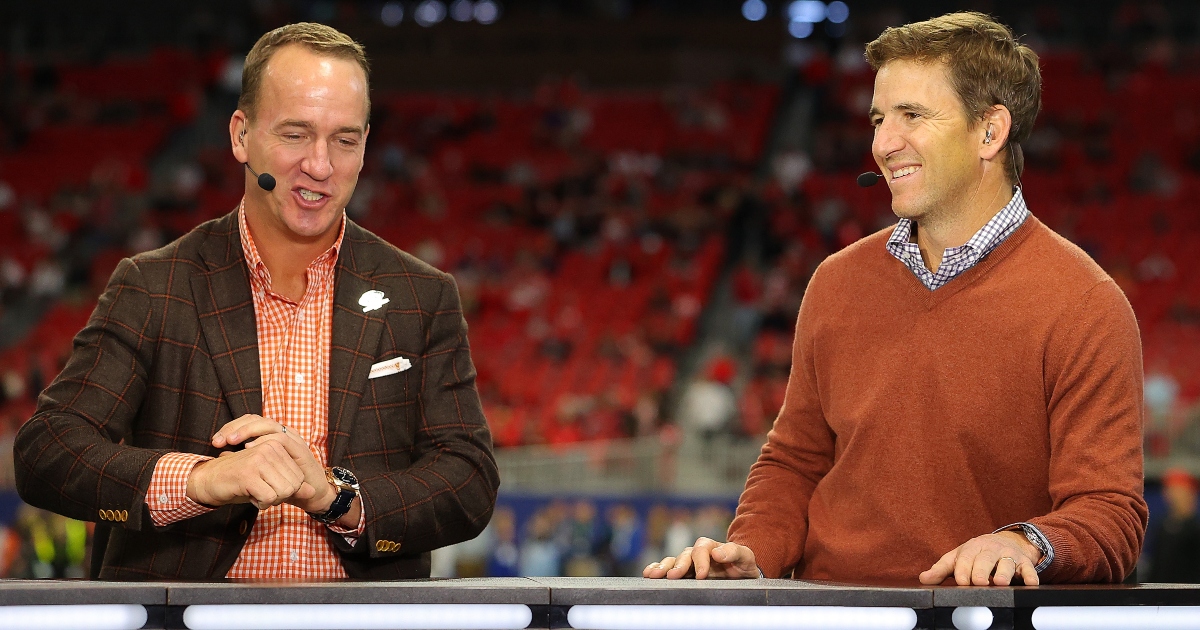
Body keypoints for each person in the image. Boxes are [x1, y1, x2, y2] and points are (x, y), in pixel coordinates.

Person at [645, 12, 1146, 586]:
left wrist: (1024, 541)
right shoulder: (837, 282)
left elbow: (1110, 514)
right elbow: (795, 461)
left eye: (913, 116)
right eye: (880, 119)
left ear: (990, 132)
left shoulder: (1084, 303)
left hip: (975, 620)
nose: (883, 144)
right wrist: (753, 549)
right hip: (829, 619)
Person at [13, 23, 499, 580]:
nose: (320, 165)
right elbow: (46, 452)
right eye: (296, 134)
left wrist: (336, 497)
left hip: (363, 619)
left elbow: (469, 479)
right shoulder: (153, 285)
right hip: (189, 616)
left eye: (345, 140)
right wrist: (201, 481)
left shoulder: (422, 296)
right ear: (241, 136)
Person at [1146, 469, 1200, 583]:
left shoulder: (1195, 529)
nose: (1173, 495)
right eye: (1170, 490)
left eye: (1178, 490)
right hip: (1161, 591)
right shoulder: (1162, 525)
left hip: (1188, 593)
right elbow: (1156, 563)